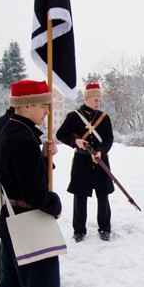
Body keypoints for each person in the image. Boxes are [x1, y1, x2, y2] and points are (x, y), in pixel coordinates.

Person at [0, 79, 74, 287]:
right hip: (30, 220)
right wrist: (54, 204)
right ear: (25, 105)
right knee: (42, 286)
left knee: (13, 285)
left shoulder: (6, 130)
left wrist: (42, 157)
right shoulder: (24, 138)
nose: (46, 112)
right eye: (42, 105)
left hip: (10, 220)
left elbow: (17, 173)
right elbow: (34, 192)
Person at [56, 83, 115, 242]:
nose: (98, 103)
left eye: (100, 100)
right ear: (87, 98)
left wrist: (101, 151)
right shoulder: (73, 116)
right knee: (80, 196)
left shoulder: (104, 117)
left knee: (103, 195)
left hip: (100, 160)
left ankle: (105, 228)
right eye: (96, 100)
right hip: (82, 161)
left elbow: (109, 138)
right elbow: (61, 134)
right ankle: (79, 230)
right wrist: (76, 141)